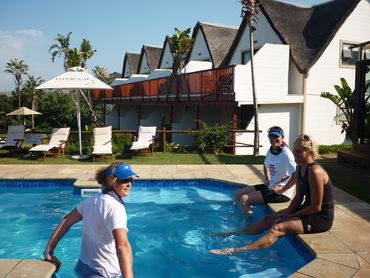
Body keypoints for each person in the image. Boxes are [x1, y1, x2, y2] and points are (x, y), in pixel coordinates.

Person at [210, 134, 334, 255]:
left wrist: (291, 215)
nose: (295, 154)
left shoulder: (315, 172)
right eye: (294, 150)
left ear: (309, 152)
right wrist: (287, 212)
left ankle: (237, 250)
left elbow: (316, 207)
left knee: (277, 228)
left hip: (320, 218)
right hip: (307, 209)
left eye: (299, 151)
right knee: (268, 219)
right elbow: (298, 198)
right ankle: (238, 233)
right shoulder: (300, 168)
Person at [43, 162, 136, 278]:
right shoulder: (116, 208)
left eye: (130, 179)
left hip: (82, 268)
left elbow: (66, 221)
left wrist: (48, 252)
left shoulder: (91, 201)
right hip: (104, 272)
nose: (129, 184)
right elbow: (122, 246)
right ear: (111, 181)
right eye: (124, 180)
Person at [234, 126, 296, 215]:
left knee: (244, 199)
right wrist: (267, 179)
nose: (274, 139)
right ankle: (238, 213)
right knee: (237, 193)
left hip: (283, 193)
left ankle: (247, 222)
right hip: (270, 185)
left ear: (282, 137)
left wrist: (283, 189)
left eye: (276, 136)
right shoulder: (270, 151)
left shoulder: (286, 153)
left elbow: (296, 174)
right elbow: (265, 165)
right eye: (271, 136)